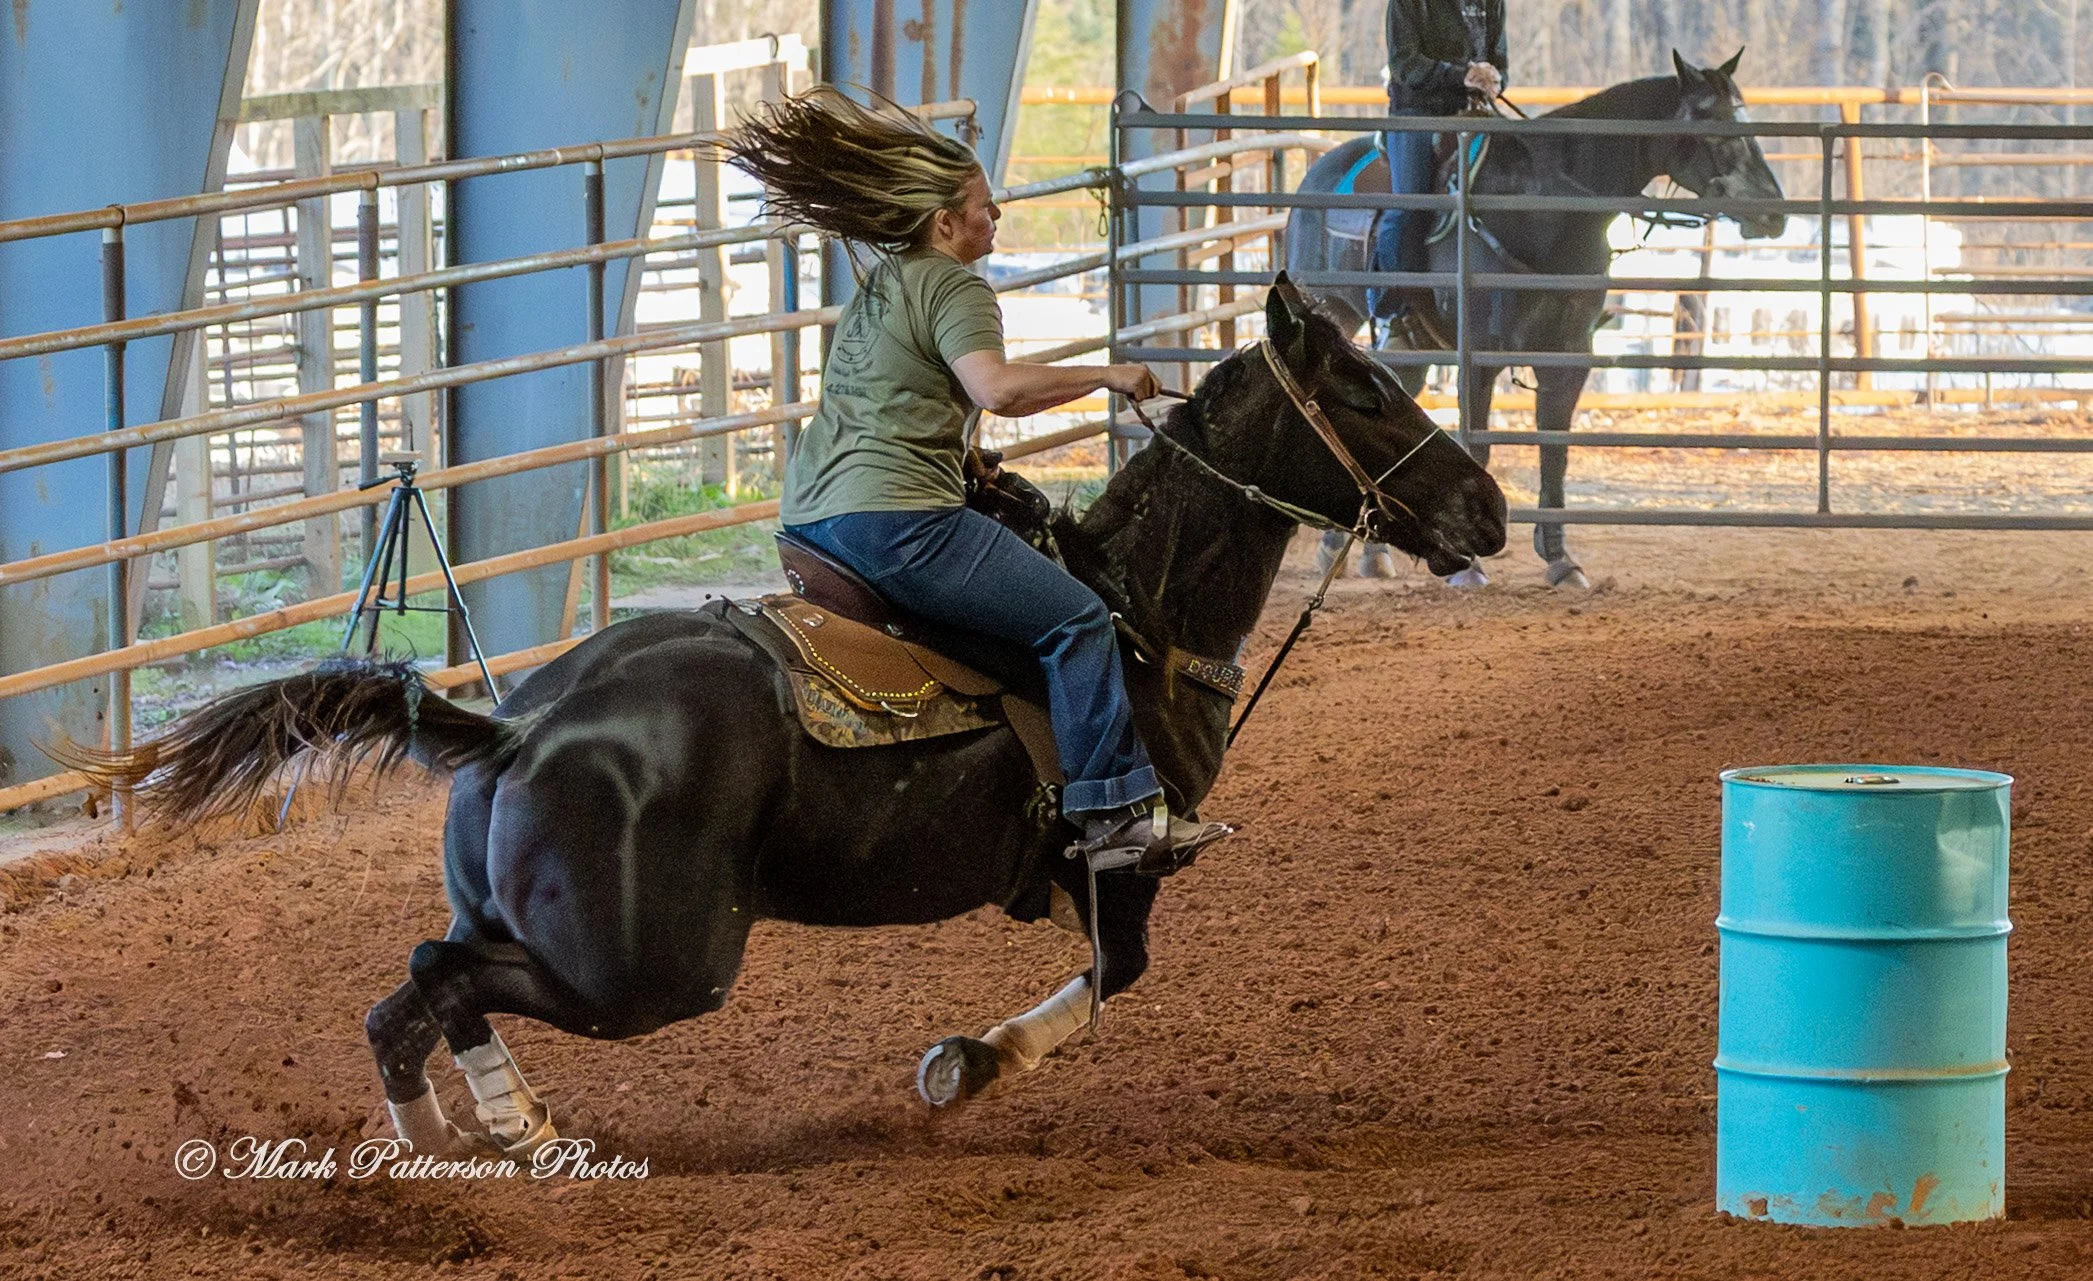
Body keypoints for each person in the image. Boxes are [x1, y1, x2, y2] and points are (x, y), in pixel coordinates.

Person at [720, 90, 1228, 868]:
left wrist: (965, 461)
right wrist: (1107, 373)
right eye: (985, 209)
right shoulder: (955, 286)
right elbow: (995, 388)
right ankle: (1116, 813)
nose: (996, 221)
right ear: (944, 223)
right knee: (1077, 620)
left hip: (819, 519)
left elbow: (892, 398)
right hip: (900, 521)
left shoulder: (884, 285)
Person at [1369, 0, 1509, 320]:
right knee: (1412, 200)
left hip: (1477, 112)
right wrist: (1462, 76)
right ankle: (1391, 306)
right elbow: (1405, 64)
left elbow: (1500, 59)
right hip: (1418, 112)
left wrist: (1495, 77)